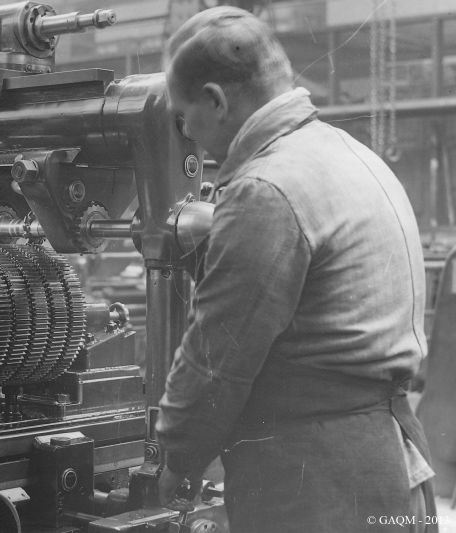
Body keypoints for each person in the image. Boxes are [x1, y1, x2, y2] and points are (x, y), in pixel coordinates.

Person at [156, 6, 436, 533]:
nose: (187, 133)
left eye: (183, 116)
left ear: (215, 100)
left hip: (317, 482)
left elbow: (217, 359)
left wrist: (178, 457)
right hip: (391, 460)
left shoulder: (264, 189)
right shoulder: (355, 156)